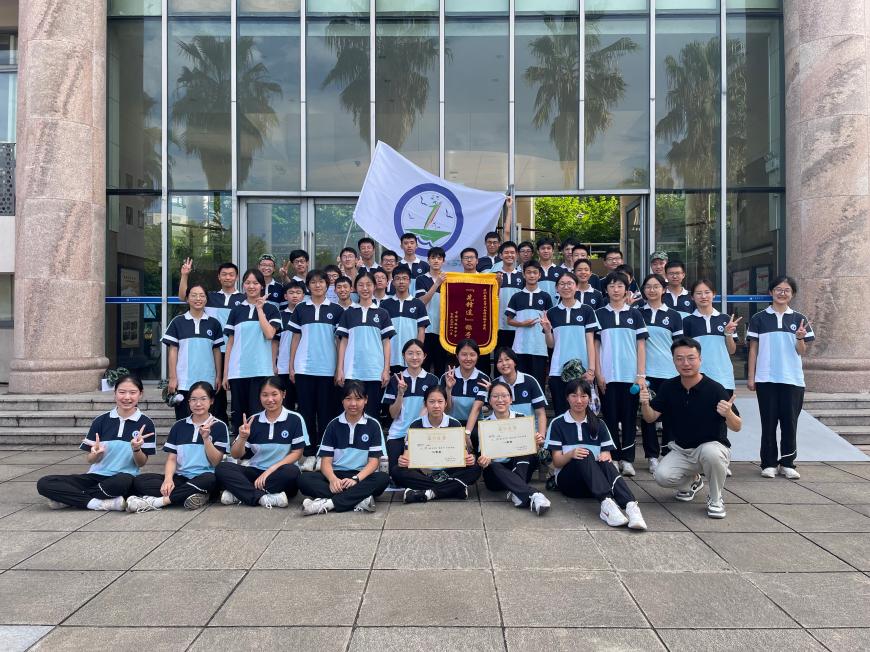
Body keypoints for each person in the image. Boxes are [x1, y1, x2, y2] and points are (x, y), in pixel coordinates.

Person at [640, 337, 741, 519]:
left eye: (691, 358)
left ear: (700, 359)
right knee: (662, 476)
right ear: (673, 361)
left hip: (711, 447)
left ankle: (716, 498)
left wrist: (728, 413)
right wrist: (645, 403)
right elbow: (650, 417)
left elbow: (737, 426)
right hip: (683, 450)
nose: (685, 363)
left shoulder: (715, 388)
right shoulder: (669, 387)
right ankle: (693, 482)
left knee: (711, 453)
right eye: (679, 359)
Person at [37, 375, 156, 511]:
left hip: (123, 478)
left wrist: (136, 449)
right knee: (44, 483)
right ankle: (97, 503)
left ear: (140, 394)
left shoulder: (146, 423)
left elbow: (141, 463)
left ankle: (71, 499)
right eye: (122, 392)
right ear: (115, 393)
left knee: (123, 482)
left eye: (132, 392)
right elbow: (90, 459)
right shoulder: (101, 420)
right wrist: (96, 454)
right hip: (95, 477)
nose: (127, 397)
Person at [546, 378, 647, 529]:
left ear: (589, 398)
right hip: (570, 483)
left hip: (595, 485)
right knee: (584, 453)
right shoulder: (558, 423)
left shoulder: (599, 424)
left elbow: (607, 456)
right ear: (567, 398)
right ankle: (606, 505)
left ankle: (631, 506)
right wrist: (571, 454)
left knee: (604, 461)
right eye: (574, 396)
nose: (579, 400)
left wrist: (606, 456)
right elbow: (556, 462)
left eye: (583, 396)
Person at [747, 275, 815, 479]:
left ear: (792, 294)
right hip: (766, 378)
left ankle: (787, 463)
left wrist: (800, 338)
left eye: (786, 290)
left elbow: (801, 351)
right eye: (778, 289)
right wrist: (751, 377)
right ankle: (768, 463)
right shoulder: (759, 318)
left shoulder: (799, 319)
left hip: (792, 379)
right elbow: (753, 349)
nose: (782, 293)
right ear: (771, 292)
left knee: (789, 423)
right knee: (768, 422)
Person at [126, 381, 228, 512]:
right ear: (188, 402)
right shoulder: (179, 426)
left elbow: (216, 462)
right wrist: (168, 480)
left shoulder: (219, 426)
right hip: (181, 478)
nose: (198, 404)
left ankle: (159, 502)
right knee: (140, 481)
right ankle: (194, 495)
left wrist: (206, 438)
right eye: (193, 400)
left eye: (203, 399)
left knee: (211, 479)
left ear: (211, 401)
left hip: (204, 477)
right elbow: (172, 458)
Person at [298, 381, 391, 515]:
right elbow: (325, 462)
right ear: (342, 401)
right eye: (348, 399)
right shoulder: (333, 425)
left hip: (361, 476)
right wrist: (332, 479)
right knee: (304, 480)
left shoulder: (373, 425)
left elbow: (373, 463)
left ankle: (329, 503)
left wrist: (356, 479)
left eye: (358, 399)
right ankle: (359, 500)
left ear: (366, 400)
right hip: (337, 474)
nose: (353, 403)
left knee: (382, 479)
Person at [215, 376, 307, 508]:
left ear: (283, 394)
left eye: (274, 394)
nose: (270, 399)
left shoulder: (295, 419)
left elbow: (297, 453)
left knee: (293, 472)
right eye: (265, 395)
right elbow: (236, 455)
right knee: (222, 468)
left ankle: (240, 494)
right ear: (259, 396)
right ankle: (263, 497)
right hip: (256, 471)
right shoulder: (253, 420)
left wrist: (271, 469)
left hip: (280, 472)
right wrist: (242, 437)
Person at [288, 269, 344, 471]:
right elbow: (295, 338)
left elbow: (340, 342)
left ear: (327, 285)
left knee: (326, 412)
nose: (317, 285)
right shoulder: (301, 309)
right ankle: (310, 453)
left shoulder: (337, 310)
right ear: (308, 286)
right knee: (306, 412)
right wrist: (292, 365)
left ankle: (324, 453)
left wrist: (339, 368)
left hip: (328, 369)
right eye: (313, 282)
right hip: (304, 368)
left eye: (321, 282)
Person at [594, 271, 648, 477]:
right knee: (610, 417)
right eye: (611, 286)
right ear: (606, 290)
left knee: (629, 419)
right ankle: (614, 457)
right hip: (607, 377)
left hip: (630, 377)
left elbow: (641, 346)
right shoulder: (599, 314)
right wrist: (599, 374)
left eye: (620, 286)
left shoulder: (635, 314)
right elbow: (595, 347)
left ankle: (628, 459)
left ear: (626, 290)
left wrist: (640, 375)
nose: (615, 290)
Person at [178, 259, 242, 424]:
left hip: (236, 352)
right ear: (218, 277)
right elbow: (183, 297)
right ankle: (217, 421)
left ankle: (234, 423)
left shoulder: (243, 299)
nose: (227, 277)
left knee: (236, 389)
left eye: (231, 274)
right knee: (216, 389)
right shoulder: (210, 297)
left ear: (236, 277)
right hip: (213, 350)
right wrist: (185, 275)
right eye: (224, 274)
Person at [391, 386, 481, 503]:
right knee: (397, 471)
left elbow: (463, 454)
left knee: (475, 468)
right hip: (423, 472)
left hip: (449, 470)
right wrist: (403, 460)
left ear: (446, 403)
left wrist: (469, 459)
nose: (436, 406)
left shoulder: (454, 424)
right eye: (432, 402)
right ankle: (455, 488)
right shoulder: (415, 425)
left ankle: (429, 493)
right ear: (425, 404)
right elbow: (407, 455)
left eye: (440, 401)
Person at [477, 381, 551, 516]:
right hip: (496, 478)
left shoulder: (522, 419)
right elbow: (483, 456)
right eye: (495, 396)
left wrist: (536, 442)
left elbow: (532, 450)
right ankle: (533, 494)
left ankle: (518, 492)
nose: (500, 400)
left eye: (504, 396)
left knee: (524, 452)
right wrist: (483, 461)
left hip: (520, 467)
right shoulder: (484, 425)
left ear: (511, 399)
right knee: (493, 465)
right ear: (489, 401)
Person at [223, 268, 282, 435]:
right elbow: (230, 343)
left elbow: (269, 334)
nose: (251, 286)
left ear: (262, 286)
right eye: (248, 283)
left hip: (261, 370)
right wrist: (226, 373)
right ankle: (240, 447)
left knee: (258, 414)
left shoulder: (271, 309)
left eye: (255, 283)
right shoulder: (236, 310)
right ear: (243, 285)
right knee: (239, 415)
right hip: (238, 371)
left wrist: (260, 309)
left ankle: (256, 447)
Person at [638, 273, 683, 474]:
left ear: (664, 289)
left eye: (656, 286)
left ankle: (667, 453)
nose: (652, 290)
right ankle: (652, 456)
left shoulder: (674, 315)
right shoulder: (637, 313)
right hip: (646, 373)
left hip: (669, 372)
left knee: (670, 416)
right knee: (647, 415)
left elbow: (678, 346)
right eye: (648, 286)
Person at [335, 271, 395, 417]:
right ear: (355, 288)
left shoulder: (382, 313)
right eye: (361, 285)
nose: (365, 288)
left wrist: (386, 369)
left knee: (372, 412)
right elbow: (343, 342)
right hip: (352, 371)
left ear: (374, 286)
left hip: (374, 371)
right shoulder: (348, 313)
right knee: (351, 410)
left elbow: (386, 343)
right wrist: (340, 369)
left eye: (368, 284)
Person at [162, 283, 224, 420]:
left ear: (206, 299)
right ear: (187, 298)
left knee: (207, 420)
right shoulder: (178, 322)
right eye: (194, 295)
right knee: (184, 420)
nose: (198, 299)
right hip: (184, 380)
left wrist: (219, 375)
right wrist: (173, 377)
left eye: (202, 295)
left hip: (208, 380)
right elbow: (173, 351)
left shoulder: (214, 323)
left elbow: (217, 351)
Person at [541, 271, 599, 416]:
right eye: (562, 284)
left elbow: (590, 341)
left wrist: (591, 370)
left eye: (569, 283)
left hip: (582, 371)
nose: (566, 287)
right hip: (558, 370)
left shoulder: (587, 310)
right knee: (561, 413)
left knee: (584, 414)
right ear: (556, 288)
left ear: (576, 286)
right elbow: (551, 345)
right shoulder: (552, 312)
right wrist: (547, 331)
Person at [466, 348, 548, 442]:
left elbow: (540, 413)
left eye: (507, 359)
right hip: (503, 437)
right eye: (500, 361)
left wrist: (541, 438)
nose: (504, 363)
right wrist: (492, 393)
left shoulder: (530, 381)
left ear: (515, 362)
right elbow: (488, 410)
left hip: (529, 436)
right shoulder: (494, 385)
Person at [382, 339, 441, 470]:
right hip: (398, 433)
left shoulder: (433, 380)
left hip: (424, 432)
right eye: (410, 353)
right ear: (403, 355)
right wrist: (400, 393)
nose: (414, 357)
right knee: (395, 470)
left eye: (418, 353)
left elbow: (433, 410)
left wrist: (414, 432)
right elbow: (393, 414)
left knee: (419, 468)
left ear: (424, 356)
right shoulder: (395, 379)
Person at [682, 279, 739, 395]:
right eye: (698, 293)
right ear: (692, 297)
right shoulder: (687, 321)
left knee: (724, 407)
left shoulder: (726, 319)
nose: (703, 296)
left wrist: (728, 333)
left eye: (707, 292)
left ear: (714, 294)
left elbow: (732, 350)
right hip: (697, 378)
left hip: (723, 377)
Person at [505, 261, 553, 389]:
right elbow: (509, 320)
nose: (532, 275)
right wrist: (522, 324)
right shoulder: (516, 296)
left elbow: (549, 321)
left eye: (535, 272)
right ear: (523, 275)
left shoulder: (546, 296)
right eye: (529, 272)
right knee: (521, 383)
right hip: (520, 347)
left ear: (539, 275)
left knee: (538, 384)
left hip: (539, 347)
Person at [381, 265, 429, 374]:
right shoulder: (385, 305)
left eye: (404, 278)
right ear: (393, 282)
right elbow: (382, 333)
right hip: (390, 357)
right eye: (397, 278)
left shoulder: (418, 304)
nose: (401, 282)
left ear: (409, 281)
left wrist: (418, 352)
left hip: (411, 358)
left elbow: (421, 331)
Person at [415, 246, 449, 376]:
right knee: (425, 366)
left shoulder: (449, 279)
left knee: (441, 367)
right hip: (426, 330)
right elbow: (421, 302)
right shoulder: (421, 279)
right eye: (433, 258)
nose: (436, 261)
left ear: (443, 261)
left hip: (443, 331)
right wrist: (437, 284)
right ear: (428, 260)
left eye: (439, 258)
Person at [273, 280, 306, 410]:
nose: (295, 295)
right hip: (284, 367)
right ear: (285, 296)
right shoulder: (280, 316)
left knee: (304, 404)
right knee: (286, 404)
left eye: (298, 292)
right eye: (291, 293)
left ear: (303, 295)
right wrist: (273, 364)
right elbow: (275, 342)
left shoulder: (307, 314)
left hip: (304, 368)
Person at [442, 338, 490, 425]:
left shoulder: (483, 379)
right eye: (464, 354)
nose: (468, 358)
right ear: (457, 356)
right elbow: (445, 410)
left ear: (478, 356)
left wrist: (467, 431)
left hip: (475, 425)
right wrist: (448, 389)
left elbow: (477, 409)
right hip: (451, 425)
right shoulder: (446, 377)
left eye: (472, 355)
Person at [496, 241, 524, 351]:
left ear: (516, 255)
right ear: (500, 255)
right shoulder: (494, 276)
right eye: (506, 252)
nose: (509, 255)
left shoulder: (522, 276)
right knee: (500, 356)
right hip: (498, 325)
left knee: (515, 357)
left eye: (512, 252)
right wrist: (498, 284)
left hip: (517, 325)